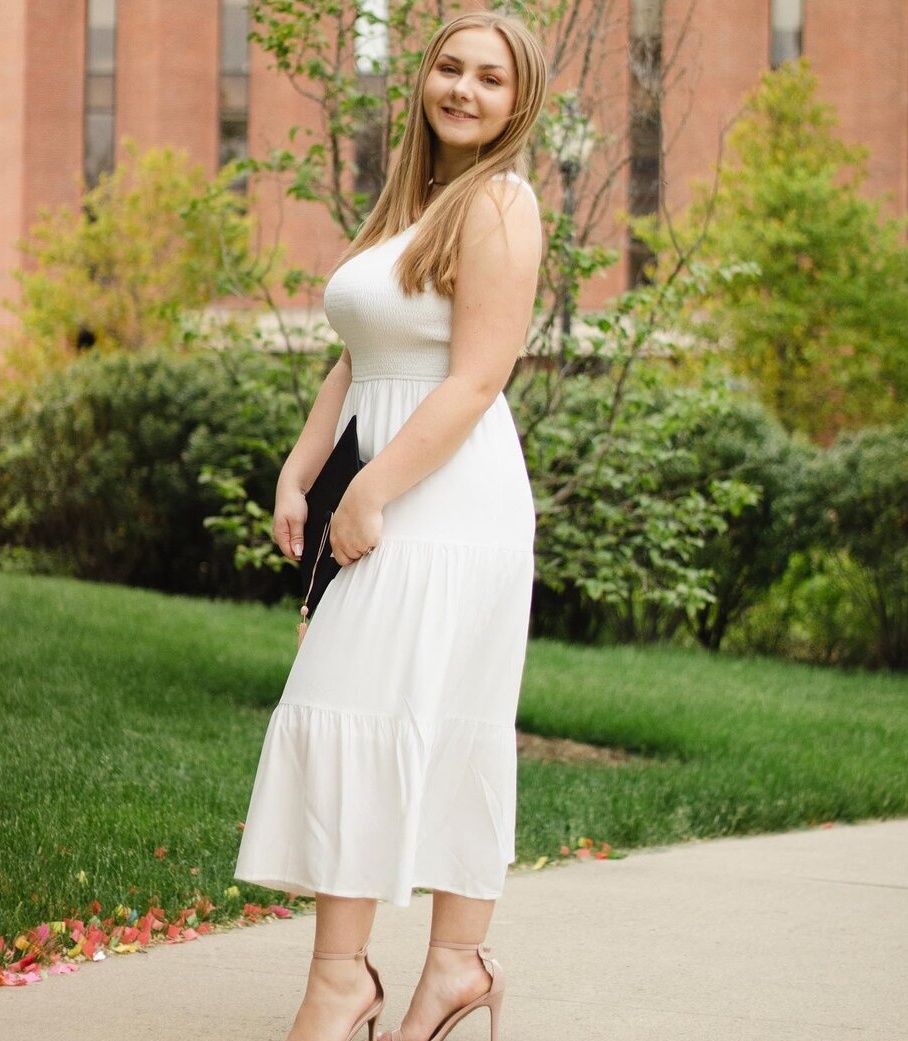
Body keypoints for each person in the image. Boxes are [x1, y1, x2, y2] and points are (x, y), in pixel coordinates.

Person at [235, 11, 547, 1041]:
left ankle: (429, 967)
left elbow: (476, 379)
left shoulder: (499, 204)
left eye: (489, 78)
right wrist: (304, 466)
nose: (462, 88)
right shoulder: (412, 205)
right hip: (388, 478)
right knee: (356, 712)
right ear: (422, 80)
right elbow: (360, 355)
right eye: (449, 67)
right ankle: (376, 976)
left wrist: (370, 492)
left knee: (414, 711)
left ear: (518, 102)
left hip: (452, 499)